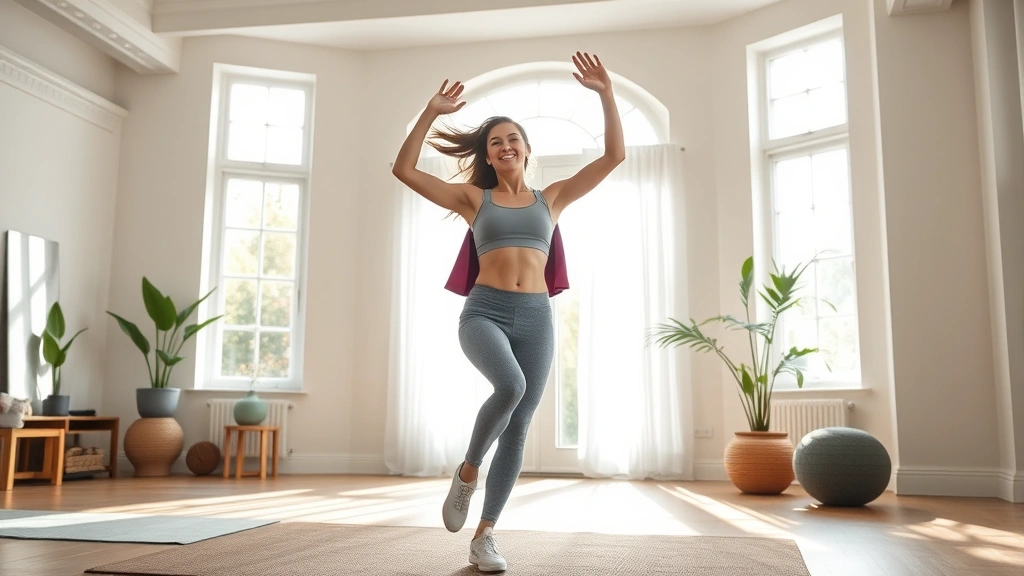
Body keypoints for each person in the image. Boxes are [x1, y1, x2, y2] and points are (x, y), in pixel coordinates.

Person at [391, 51, 624, 572]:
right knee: (512, 386)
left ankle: (485, 536)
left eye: (512, 138)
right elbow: (403, 170)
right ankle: (468, 472)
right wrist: (429, 112)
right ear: (489, 156)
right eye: (495, 142)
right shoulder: (474, 200)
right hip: (485, 312)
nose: (504, 146)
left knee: (518, 426)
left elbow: (614, 156)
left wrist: (607, 94)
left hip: (536, 316)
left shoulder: (552, 198)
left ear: (526, 148)